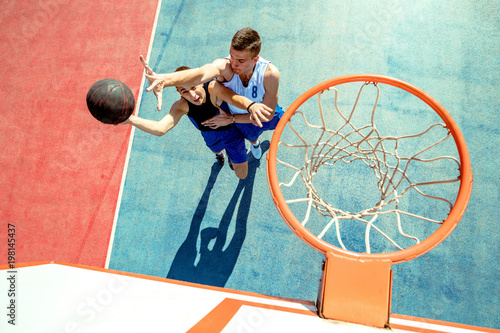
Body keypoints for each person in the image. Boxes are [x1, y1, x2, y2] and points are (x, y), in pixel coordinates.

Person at [142, 27, 283, 160]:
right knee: (252, 136)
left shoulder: (270, 74)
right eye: (232, 56)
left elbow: (268, 115)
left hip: (260, 112)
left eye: (240, 61)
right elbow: (201, 73)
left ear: (255, 59)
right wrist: (165, 80)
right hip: (242, 117)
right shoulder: (225, 67)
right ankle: (255, 143)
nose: (234, 64)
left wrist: (231, 119)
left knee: (280, 122)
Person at [123, 65, 273, 180]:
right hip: (210, 135)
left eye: (193, 87)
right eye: (185, 92)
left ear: (201, 82)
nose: (193, 95)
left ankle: (254, 144)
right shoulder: (181, 106)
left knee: (246, 158)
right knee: (216, 150)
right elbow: (161, 129)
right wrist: (130, 119)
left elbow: (233, 97)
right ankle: (220, 155)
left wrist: (250, 105)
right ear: (179, 93)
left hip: (232, 128)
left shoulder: (213, 87)